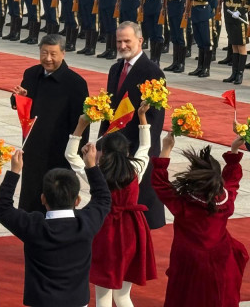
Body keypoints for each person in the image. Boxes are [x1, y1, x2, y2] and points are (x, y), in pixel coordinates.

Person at [0, 145, 111, 307]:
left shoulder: (34, 226)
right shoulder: (86, 223)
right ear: (77, 200)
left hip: (42, 302)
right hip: (76, 302)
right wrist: (91, 166)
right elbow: (103, 198)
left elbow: (2, 208)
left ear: (43, 199)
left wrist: (14, 172)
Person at [66, 102, 157, 307]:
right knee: (123, 296)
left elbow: (71, 156)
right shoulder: (136, 168)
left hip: (104, 231)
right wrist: (142, 118)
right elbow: (145, 147)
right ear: (126, 151)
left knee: (103, 297)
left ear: (103, 152)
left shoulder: (95, 173)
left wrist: (80, 127)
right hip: (133, 229)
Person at [152, 131, 248, 307]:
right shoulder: (226, 200)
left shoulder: (183, 203)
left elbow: (160, 184)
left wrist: (166, 149)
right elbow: (233, 180)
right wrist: (234, 150)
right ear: (218, 180)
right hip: (220, 259)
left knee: (186, 297)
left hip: (189, 261)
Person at [11, 34, 89, 213]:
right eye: (44, 53)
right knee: (31, 196)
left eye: (53, 54)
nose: (48, 59)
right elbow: (21, 104)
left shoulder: (75, 83)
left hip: (59, 152)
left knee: (56, 198)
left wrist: (76, 153)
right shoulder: (31, 74)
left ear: (63, 53)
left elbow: (82, 123)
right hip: (33, 148)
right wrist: (18, 98)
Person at [99, 21, 166, 229]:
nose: (122, 46)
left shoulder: (153, 72)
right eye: (119, 41)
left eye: (127, 41)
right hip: (114, 149)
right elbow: (108, 110)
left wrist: (139, 153)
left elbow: (155, 120)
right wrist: (101, 142)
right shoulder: (115, 68)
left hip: (137, 150)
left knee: (141, 205)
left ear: (140, 41)